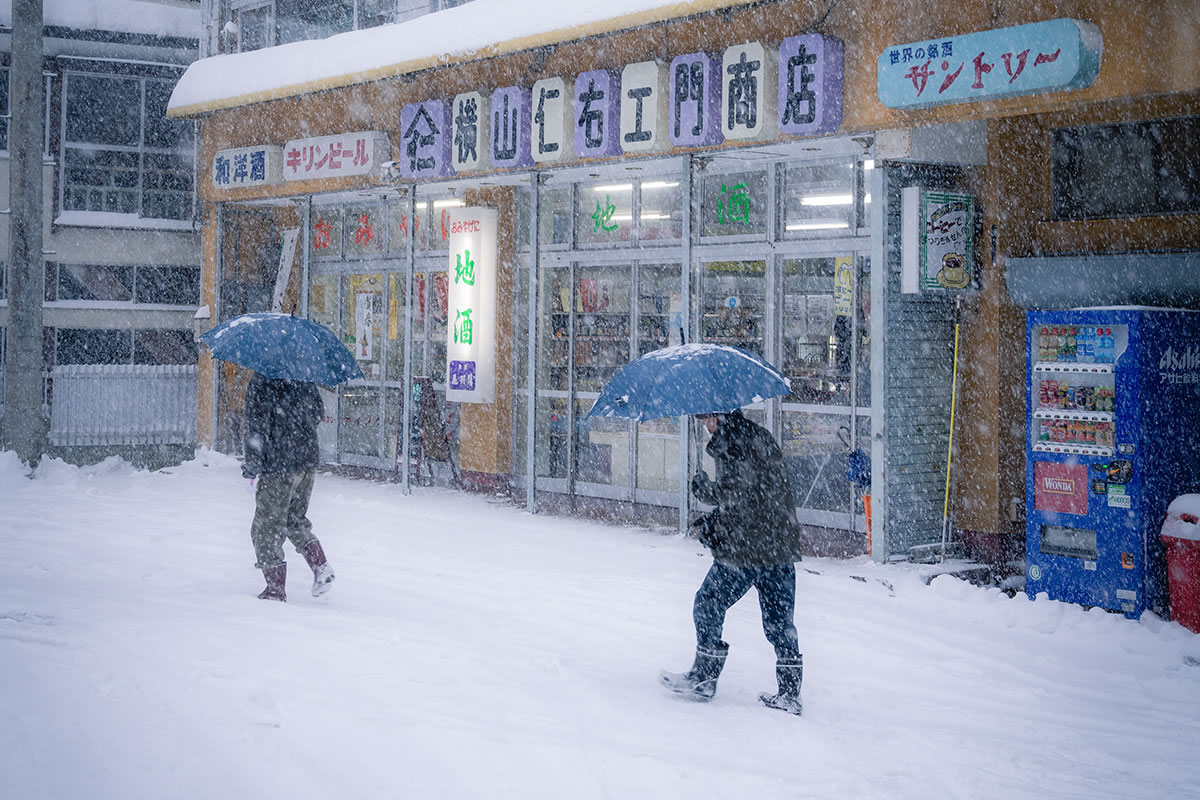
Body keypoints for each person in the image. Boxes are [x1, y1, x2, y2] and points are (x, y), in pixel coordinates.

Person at [660, 409, 806, 715]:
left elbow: (737, 493)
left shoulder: (733, 441)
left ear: (717, 415)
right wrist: (717, 519)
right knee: (780, 623)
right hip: (778, 543)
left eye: (705, 420)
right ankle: (790, 693)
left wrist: (704, 490)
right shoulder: (757, 435)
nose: (704, 426)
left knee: (708, 601)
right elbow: (760, 496)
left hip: (749, 548)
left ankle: (703, 677)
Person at [242, 371, 335, 602]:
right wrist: (297, 429)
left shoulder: (262, 379)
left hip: (278, 465)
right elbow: (317, 412)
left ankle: (275, 590)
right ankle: (320, 566)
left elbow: (256, 426)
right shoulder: (302, 374)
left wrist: (252, 465)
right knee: (294, 520)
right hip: (306, 462)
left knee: (266, 529)